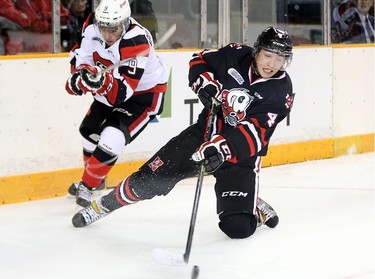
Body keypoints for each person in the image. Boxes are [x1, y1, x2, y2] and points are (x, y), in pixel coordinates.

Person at [71, 26, 295, 240]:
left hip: (239, 156)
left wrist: (221, 147)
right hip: (201, 136)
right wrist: (204, 83)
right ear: (257, 51)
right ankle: (103, 206)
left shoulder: (281, 91)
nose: (272, 64)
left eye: (279, 58)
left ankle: (251, 205)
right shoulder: (235, 54)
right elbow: (199, 60)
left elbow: (257, 133)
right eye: (268, 55)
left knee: (238, 228)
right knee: (148, 179)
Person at [65, 0, 168, 207]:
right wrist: (81, 76)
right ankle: (96, 179)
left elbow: (121, 94)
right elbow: (83, 56)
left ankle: (88, 184)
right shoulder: (92, 24)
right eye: (103, 28)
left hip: (143, 95)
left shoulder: (136, 40)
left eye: (113, 30)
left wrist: (99, 82)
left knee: (112, 136)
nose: (107, 35)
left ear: (125, 22)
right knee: (89, 131)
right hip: (112, 83)